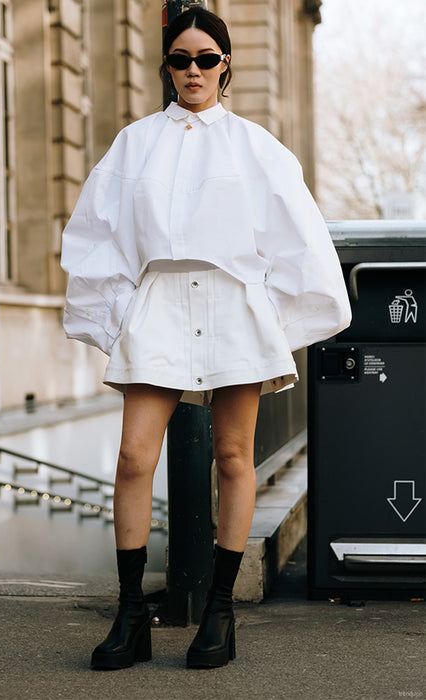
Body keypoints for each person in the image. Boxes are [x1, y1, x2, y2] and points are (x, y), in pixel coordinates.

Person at [60, 7, 351, 670]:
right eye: (180, 59)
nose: (193, 71)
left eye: (206, 59)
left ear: (226, 66)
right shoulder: (134, 144)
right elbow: (95, 237)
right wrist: (118, 319)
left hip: (233, 306)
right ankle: (131, 613)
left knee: (233, 457)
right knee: (135, 457)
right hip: (160, 300)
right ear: (167, 67)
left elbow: (295, 241)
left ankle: (219, 613)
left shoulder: (257, 148)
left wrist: (270, 324)